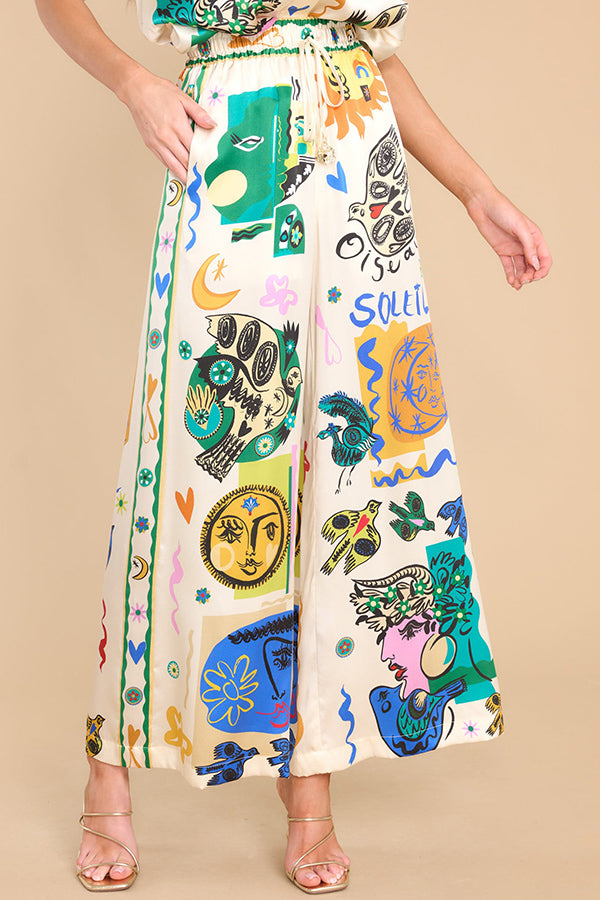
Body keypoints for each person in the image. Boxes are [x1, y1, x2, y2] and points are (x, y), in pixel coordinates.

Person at [35, 0, 552, 894]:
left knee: (350, 477)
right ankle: (109, 765)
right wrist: (134, 85)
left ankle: (310, 780)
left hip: (360, 180)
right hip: (236, 150)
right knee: (198, 460)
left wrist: (478, 192)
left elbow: (370, 54)